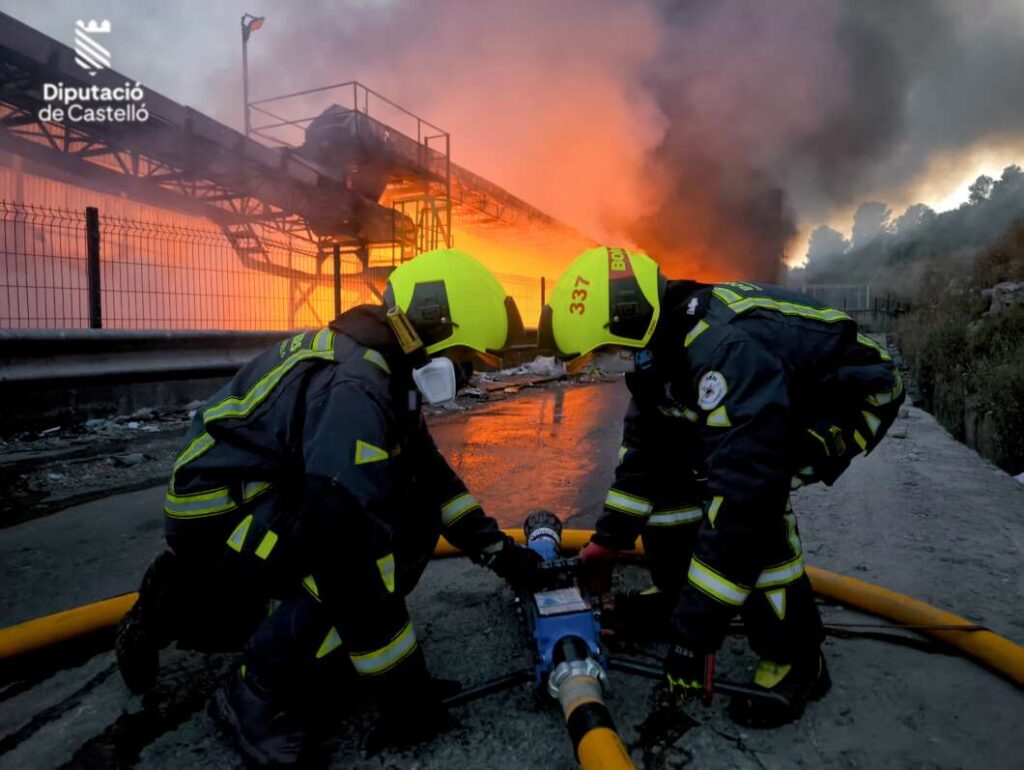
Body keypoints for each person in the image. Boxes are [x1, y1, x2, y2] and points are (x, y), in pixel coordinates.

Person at [116, 248, 540, 766]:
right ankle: (254, 695)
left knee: (406, 516)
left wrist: (500, 552)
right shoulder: (358, 384)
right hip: (218, 514)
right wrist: (405, 693)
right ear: (432, 328)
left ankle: (182, 599)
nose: (469, 376)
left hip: (260, 499)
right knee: (345, 551)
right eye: (467, 361)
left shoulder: (387, 371)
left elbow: (431, 479)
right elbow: (343, 549)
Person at [538, 246, 904, 727]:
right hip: (773, 392)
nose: (609, 365)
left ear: (630, 326)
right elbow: (643, 461)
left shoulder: (722, 350)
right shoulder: (659, 351)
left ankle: (798, 659)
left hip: (846, 397)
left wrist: (695, 636)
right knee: (674, 486)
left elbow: (743, 502)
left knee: (753, 510)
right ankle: (676, 594)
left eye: (606, 352)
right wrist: (608, 542)